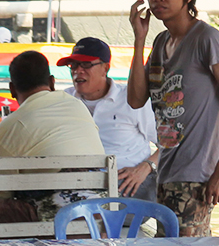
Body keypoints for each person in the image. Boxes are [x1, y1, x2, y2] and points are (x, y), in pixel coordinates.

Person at [125, 0, 219, 237]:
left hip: (197, 172)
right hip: (167, 170)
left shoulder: (207, 39)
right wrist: (139, 39)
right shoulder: (160, 43)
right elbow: (135, 100)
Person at [0, 50, 105, 226]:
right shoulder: (77, 106)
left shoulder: (9, 126)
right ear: (51, 82)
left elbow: (1, 193)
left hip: (54, 216)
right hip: (99, 210)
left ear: (12, 89)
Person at [60, 37, 160, 201]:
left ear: (105, 68)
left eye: (86, 64)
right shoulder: (64, 100)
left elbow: (168, 145)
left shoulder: (133, 100)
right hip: (78, 184)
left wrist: (147, 167)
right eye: (74, 65)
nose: (78, 70)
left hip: (128, 185)